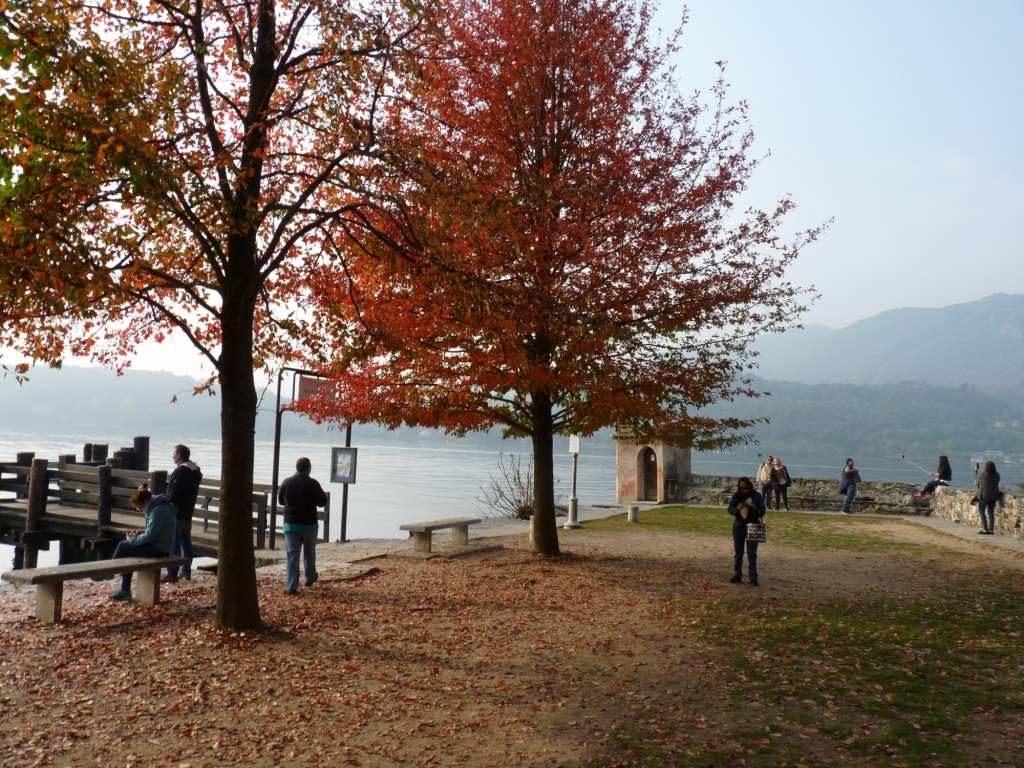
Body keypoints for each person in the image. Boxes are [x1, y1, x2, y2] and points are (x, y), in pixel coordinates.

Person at [99, 485, 177, 601]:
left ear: (145, 501)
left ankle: (110, 571)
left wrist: (133, 540)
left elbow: (150, 536)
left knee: (123, 546)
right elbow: (155, 530)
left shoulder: (157, 511)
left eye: (139, 507)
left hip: (159, 548)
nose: (139, 510)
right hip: (160, 544)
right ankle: (124, 589)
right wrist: (141, 532)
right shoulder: (158, 507)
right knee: (127, 552)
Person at [278, 457, 328, 595]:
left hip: (291, 524)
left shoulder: (286, 482)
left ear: (297, 467)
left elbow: (281, 501)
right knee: (309, 551)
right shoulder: (312, 483)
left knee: (292, 554)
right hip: (308, 524)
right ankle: (310, 577)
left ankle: (291, 585)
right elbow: (322, 502)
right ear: (308, 468)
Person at [163, 444, 203, 583]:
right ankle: (186, 570)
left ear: (179, 454)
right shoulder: (196, 471)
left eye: (174, 453)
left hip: (177, 512)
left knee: (174, 542)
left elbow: (173, 493)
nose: (172, 455)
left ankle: (172, 572)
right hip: (188, 511)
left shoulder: (180, 472)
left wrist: (164, 502)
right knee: (186, 542)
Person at [727, 476, 766, 586]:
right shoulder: (737, 496)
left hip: (753, 524)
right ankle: (737, 574)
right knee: (738, 552)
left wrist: (754, 507)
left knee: (752, 553)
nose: (744, 490)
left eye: (746, 488)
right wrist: (737, 509)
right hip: (739, 524)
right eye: (742, 488)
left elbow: (762, 511)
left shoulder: (757, 496)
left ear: (750, 486)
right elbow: (730, 509)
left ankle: (753, 577)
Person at [975, 460, 1001, 535]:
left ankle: (985, 529)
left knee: (981, 511)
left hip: (984, 496)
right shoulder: (997, 475)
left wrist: (976, 470)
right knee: (991, 513)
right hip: (994, 496)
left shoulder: (983, 475)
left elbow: (976, 478)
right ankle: (991, 529)